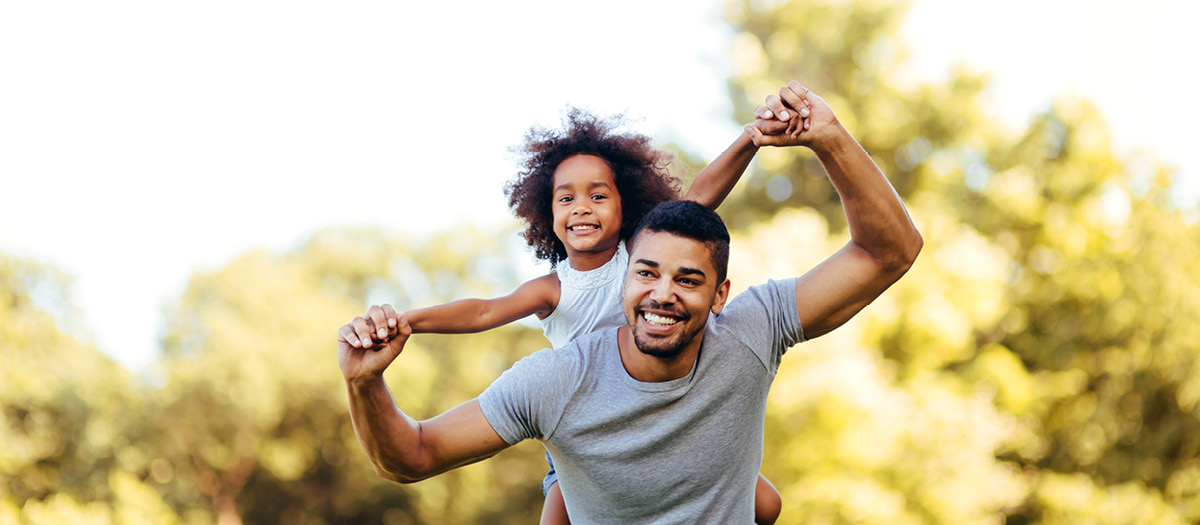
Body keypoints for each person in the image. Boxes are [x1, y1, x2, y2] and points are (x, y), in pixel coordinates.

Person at [338, 81, 923, 522]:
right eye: (647, 273)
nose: (662, 292)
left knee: (765, 504)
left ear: (721, 294)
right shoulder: (555, 377)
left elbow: (887, 252)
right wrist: (367, 381)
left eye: (688, 280)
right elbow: (412, 455)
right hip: (571, 450)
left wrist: (826, 136)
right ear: (626, 279)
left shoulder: (752, 330)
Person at [390, 107, 794, 524]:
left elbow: (701, 197)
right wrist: (409, 321)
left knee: (767, 505)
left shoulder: (641, 257)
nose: (582, 208)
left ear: (627, 206)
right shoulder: (553, 289)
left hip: (658, 404)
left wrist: (751, 139)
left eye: (597, 196)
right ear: (548, 214)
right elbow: (482, 312)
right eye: (567, 198)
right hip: (585, 425)